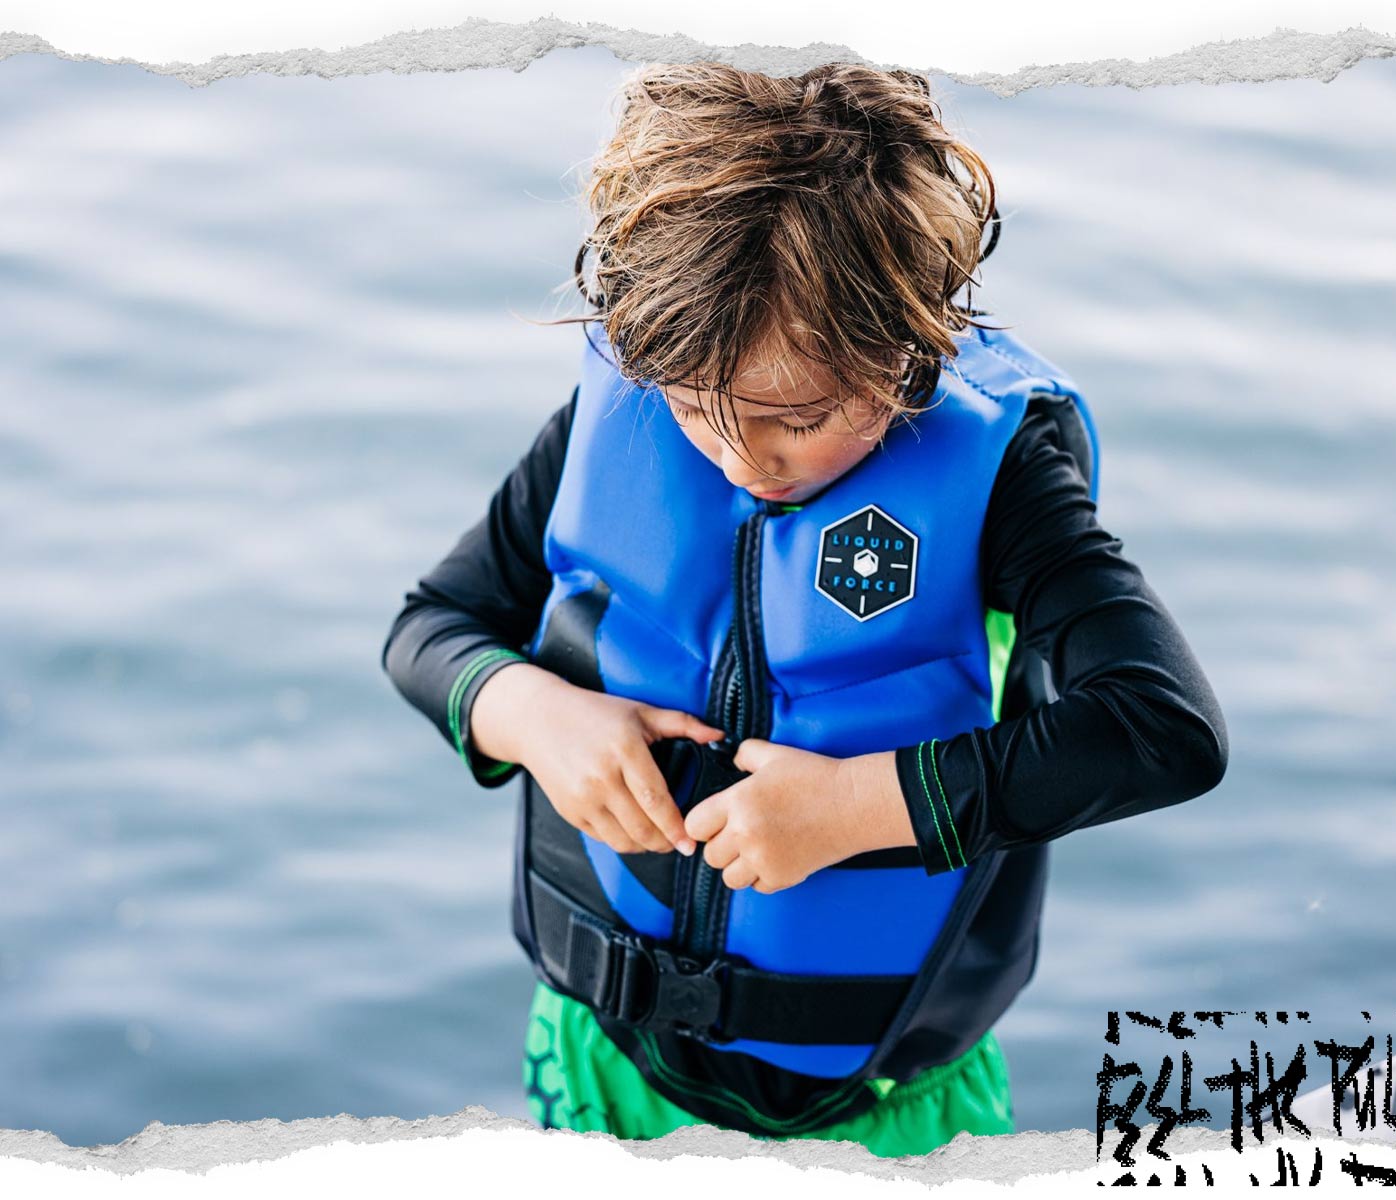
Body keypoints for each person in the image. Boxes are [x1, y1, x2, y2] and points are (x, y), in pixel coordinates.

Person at [382, 61, 1228, 1157]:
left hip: (885, 1112)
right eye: (694, 410)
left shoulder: (1002, 476)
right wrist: (530, 715)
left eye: (798, 416)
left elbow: (1165, 730)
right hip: (599, 1059)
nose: (740, 459)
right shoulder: (636, 393)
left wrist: (859, 810)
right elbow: (428, 629)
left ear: (907, 355)